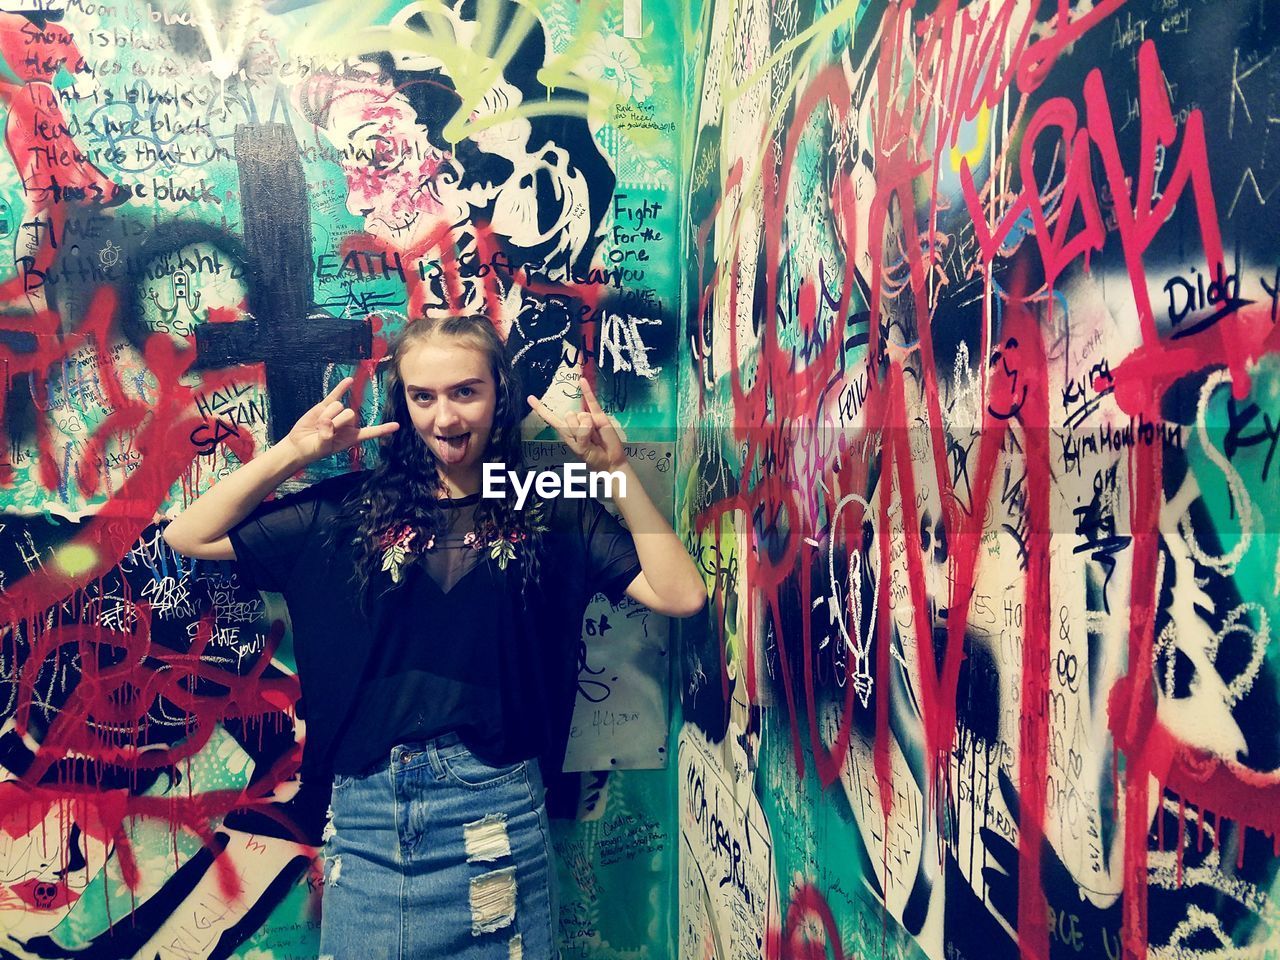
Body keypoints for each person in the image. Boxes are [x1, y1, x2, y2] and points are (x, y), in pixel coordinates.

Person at [161, 313, 704, 958]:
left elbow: (680, 594)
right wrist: (293, 455)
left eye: (464, 392)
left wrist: (614, 473)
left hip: (498, 811)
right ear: (404, 402)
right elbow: (186, 535)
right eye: (424, 396)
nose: (444, 418)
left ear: (498, 393)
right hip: (368, 818)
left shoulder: (548, 506)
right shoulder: (347, 510)